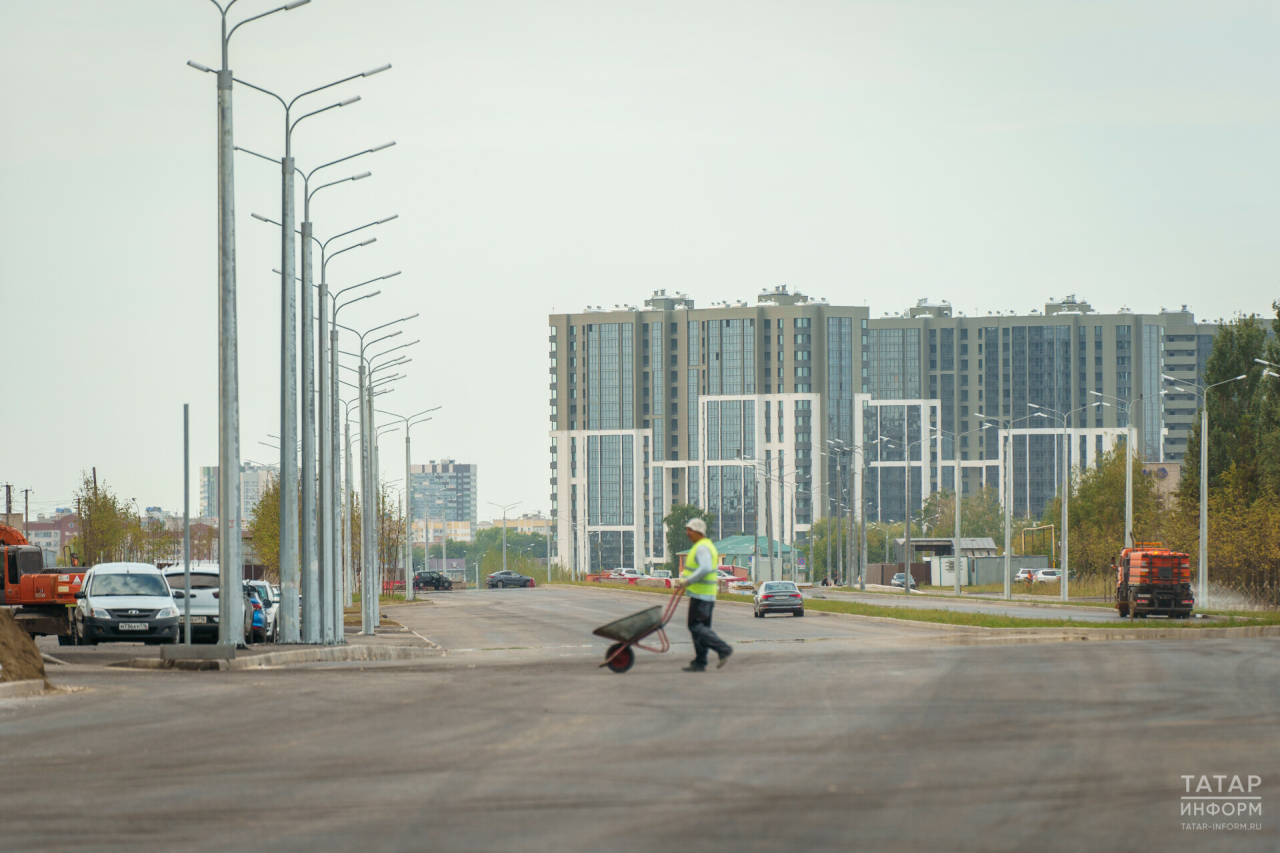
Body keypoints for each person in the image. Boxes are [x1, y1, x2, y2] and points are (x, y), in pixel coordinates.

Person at [672, 517, 733, 672]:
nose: (687, 533)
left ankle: (723, 648)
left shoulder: (702, 548)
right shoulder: (704, 546)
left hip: (702, 595)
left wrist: (687, 581)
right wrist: (687, 582)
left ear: (698, 531)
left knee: (695, 626)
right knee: (701, 627)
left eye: (690, 530)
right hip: (703, 594)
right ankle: (700, 661)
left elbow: (705, 568)